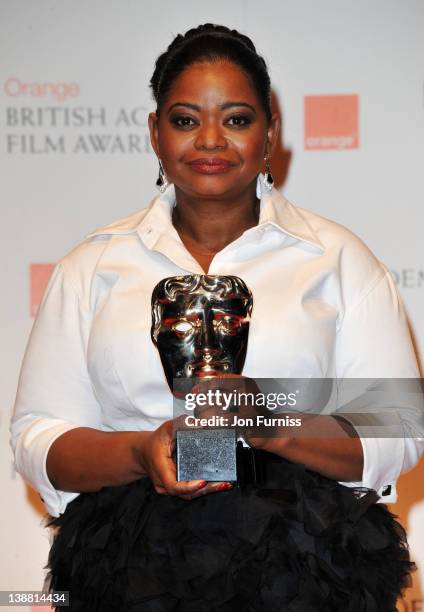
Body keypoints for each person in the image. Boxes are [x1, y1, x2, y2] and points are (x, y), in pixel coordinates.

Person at [10, 23, 424, 611]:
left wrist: (269, 416)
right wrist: (139, 451)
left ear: (270, 134)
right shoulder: (92, 265)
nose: (210, 140)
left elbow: (396, 424)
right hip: (129, 571)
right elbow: (38, 435)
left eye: (235, 119)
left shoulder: (337, 259)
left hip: (306, 570)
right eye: (184, 119)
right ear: (155, 133)